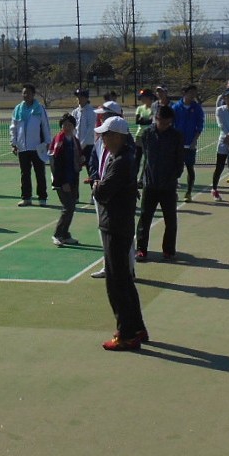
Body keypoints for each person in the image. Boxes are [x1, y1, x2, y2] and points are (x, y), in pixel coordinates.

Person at [90, 116, 148, 351]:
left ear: (117, 136)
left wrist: (96, 186)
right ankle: (137, 328)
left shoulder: (122, 161)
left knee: (116, 283)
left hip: (115, 226)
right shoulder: (121, 158)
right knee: (123, 280)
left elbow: (103, 192)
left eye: (106, 134)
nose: (102, 138)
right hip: (117, 225)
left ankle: (126, 334)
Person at [135, 103, 184, 262]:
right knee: (145, 218)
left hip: (168, 186)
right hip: (150, 184)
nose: (164, 125)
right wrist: (141, 178)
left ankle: (169, 250)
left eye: (167, 122)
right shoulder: (147, 134)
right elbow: (143, 158)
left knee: (170, 220)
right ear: (156, 118)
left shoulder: (176, 136)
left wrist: (173, 177)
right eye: (161, 121)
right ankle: (141, 249)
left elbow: (179, 161)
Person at [10, 83, 51, 207]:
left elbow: (45, 126)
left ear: (33, 94)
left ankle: (42, 198)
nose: (25, 95)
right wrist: (14, 143)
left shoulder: (39, 109)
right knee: (25, 174)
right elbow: (13, 127)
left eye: (28, 93)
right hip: (22, 148)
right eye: (23, 93)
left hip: (37, 147)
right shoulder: (18, 109)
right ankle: (26, 197)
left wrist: (48, 142)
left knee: (40, 173)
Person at [50, 112, 82, 247]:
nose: (67, 127)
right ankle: (57, 234)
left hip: (73, 178)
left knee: (71, 207)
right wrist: (62, 183)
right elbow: (55, 163)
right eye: (64, 125)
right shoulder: (59, 140)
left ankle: (65, 234)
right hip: (62, 180)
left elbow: (78, 157)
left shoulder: (74, 140)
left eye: (70, 125)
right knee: (67, 207)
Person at [171, 84, 206, 202]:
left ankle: (189, 192)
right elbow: (171, 124)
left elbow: (200, 126)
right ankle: (173, 192)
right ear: (184, 93)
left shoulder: (197, 108)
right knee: (175, 169)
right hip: (177, 144)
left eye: (194, 93)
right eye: (191, 92)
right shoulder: (176, 107)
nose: (193, 95)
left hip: (190, 145)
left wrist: (194, 140)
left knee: (190, 168)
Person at [73, 88, 98, 174]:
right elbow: (73, 129)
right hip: (77, 146)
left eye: (81, 97)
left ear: (87, 98)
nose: (79, 99)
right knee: (74, 169)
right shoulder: (75, 112)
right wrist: (75, 143)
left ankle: (94, 186)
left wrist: (82, 145)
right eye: (78, 97)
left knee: (91, 169)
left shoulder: (91, 112)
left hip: (88, 146)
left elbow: (90, 130)